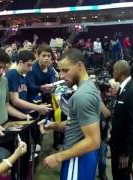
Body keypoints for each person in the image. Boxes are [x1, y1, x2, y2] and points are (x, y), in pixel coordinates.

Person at [39, 48, 101, 180]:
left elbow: (94, 141)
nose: (61, 75)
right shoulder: (87, 87)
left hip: (78, 158)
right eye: (60, 70)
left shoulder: (82, 95)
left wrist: (58, 157)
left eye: (65, 70)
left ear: (79, 66)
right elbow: (77, 123)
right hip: (79, 155)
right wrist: (54, 125)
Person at [109, 60, 133, 180]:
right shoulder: (123, 89)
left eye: (114, 70)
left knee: (121, 177)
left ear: (120, 71)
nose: (113, 73)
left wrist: (126, 153)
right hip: (117, 146)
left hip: (123, 150)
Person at [6, 50, 52, 114]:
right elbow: (15, 101)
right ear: (21, 62)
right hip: (15, 116)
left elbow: (23, 99)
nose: (30, 69)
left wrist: (35, 107)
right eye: (29, 65)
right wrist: (37, 107)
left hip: (23, 113)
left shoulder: (23, 75)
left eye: (31, 66)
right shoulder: (13, 74)